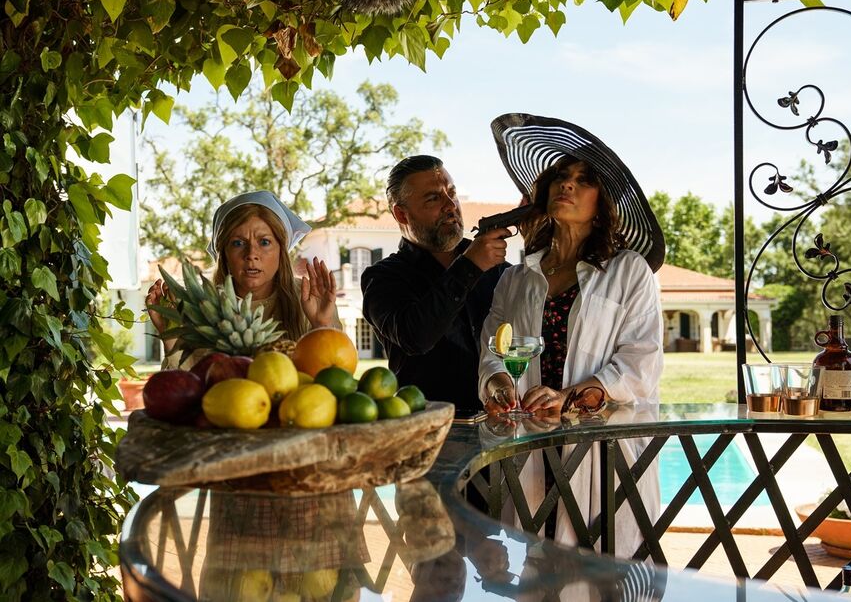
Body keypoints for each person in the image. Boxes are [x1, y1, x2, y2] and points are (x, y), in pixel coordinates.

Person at [478, 113, 665, 559]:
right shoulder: (517, 278)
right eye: (562, 175)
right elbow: (493, 347)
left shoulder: (628, 272)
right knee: (536, 562)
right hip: (532, 443)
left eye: (584, 180)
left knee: (604, 567)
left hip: (603, 452)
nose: (568, 184)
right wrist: (499, 384)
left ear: (602, 204)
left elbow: (640, 363)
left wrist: (569, 397)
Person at [361, 155, 512, 413]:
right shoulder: (382, 278)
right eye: (433, 198)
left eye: (452, 193)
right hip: (427, 425)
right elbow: (415, 337)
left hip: (503, 424)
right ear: (401, 214)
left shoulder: (498, 269)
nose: (450, 205)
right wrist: (469, 267)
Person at [147, 190, 340, 369]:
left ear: (281, 250)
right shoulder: (202, 309)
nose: (251, 254)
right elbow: (185, 388)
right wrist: (171, 337)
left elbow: (335, 378)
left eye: (264, 242)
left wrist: (322, 325)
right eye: (238, 243)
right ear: (223, 254)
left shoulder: (308, 298)